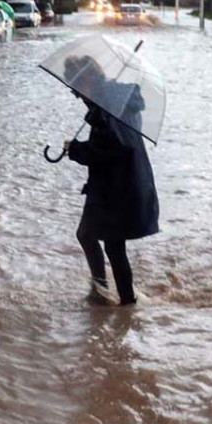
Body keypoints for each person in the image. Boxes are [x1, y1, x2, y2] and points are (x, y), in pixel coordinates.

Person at [63, 55, 159, 306]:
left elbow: (115, 146)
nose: (76, 95)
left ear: (87, 78)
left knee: (105, 242)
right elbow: (112, 144)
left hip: (118, 187)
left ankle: (119, 299)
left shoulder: (108, 104)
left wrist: (76, 150)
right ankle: (109, 295)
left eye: (76, 87)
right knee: (96, 238)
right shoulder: (112, 100)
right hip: (117, 183)